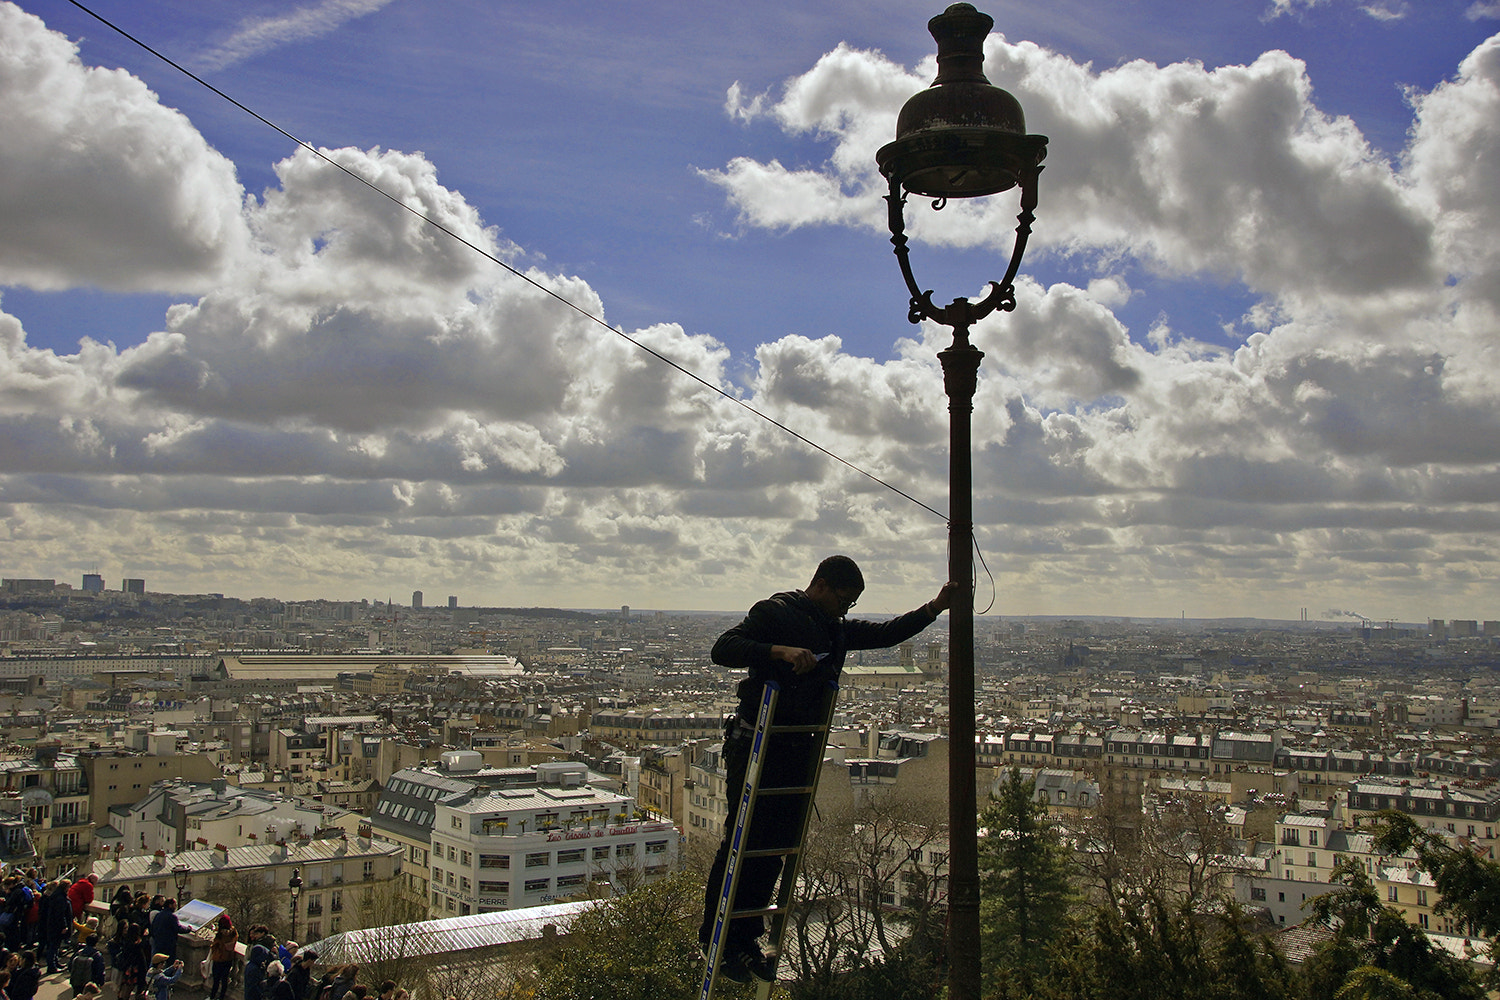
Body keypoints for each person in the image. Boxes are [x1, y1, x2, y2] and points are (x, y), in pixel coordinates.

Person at [696, 555, 953, 983]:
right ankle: (718, 938)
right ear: (821, 584)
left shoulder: (835, 629)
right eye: (843, 599)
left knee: (774, 846)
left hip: (797, 746)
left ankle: (745, 939)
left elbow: (887, 634)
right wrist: (779, 651)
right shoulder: (774, 612)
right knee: (744, 839)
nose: (845, 610)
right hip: (759, 742)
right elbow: (723, 649)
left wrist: (934, 607)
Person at [207, 916, 238, 1000]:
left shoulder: (220, 935)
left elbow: (214, 945)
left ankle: (212, 997)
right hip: (228, 959)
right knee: (224, 981)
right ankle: (221, 997)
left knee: (216, 980)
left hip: (218, 959)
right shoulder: (233, 933)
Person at [68, 935, 105, 1000]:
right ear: (96, 943)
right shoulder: (97, 955)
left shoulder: (79, 953)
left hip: (77, 981)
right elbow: (100, 970)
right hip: (89, 983)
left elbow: (70, 965)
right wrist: (101, 982)